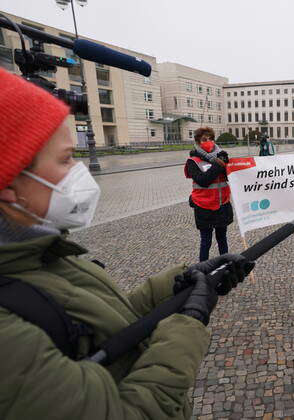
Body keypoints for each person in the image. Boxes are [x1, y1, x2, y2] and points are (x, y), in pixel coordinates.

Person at [0, 69, 253, 419]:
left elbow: (108, 323)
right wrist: (188, 324)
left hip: (219, 210)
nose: (79, 172)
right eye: (63, 159)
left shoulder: (44, 251)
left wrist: (177, 284)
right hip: (205, 212)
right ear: (10, 186)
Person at [185, 127, 234, 261]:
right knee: (206, 242)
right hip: (204, 207)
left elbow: (230, 177)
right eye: (204, 139)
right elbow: (203, 180)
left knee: (222, 239)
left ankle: (225, 265)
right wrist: (219, 164)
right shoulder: (193, 161)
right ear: (198, 142)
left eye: (211, 139)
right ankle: (203, 270)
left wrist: (226, 163)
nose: (209, 142)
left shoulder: (221, 156)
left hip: (221, 205)